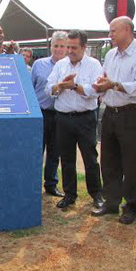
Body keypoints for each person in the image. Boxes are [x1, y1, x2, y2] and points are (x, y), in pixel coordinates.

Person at [90, 16, 136, 225]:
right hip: (110, 112)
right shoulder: (110, 55)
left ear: (127, 30)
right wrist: (101, 85)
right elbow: (105, 78)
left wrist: (113, 84)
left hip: (130, 113)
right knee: (109, 161)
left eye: (113, 31)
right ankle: (111, 202)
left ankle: (131, 206)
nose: (110, 35)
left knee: (131, 162)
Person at [46, 30, 104, 209]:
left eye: (74, 48)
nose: (70, 51)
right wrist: (61, 86)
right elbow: (49, 89)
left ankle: (96, 194)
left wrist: (75, 86)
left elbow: (96, 90)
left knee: (90, 158)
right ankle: (70, 194)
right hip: (63, 118)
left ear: (84, 47)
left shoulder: (94, 65)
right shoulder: (60, 65)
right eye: (68, 47)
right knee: (66, 158)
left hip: (85, 117)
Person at [30, 31, 68, 197]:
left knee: (55, 151)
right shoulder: (39, 64)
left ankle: (51, 184)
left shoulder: (70, 66)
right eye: (56, 45)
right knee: (37, 150)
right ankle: (32, 184)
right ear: (50, 46)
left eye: (62, 46)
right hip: (41, 113)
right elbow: (30, 89)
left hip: (59, 114)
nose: (58, 49)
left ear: (67, 48)